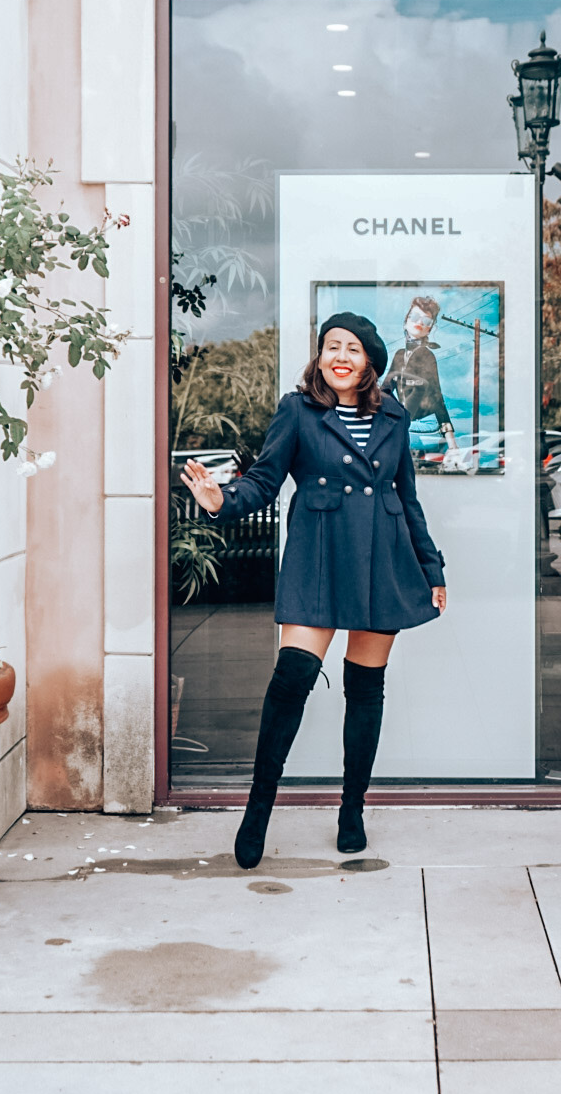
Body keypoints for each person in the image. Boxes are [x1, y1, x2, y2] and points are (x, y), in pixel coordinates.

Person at [181, 312, 447, 869]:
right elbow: (265, 479)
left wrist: (432, 569)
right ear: (321, 356)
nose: (341, 356)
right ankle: (258, 810)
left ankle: (352, 810)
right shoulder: (297, 410)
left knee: (365, 688)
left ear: (369, 360)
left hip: (383, 560)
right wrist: (220, 500)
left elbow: (409, 500)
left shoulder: (394, 417)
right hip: (319, 556)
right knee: (292, 678)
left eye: (352, 348)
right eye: (332, 346)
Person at [382, 295, 459, 463]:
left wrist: (452, 441)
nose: (420, 322)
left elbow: (436, 396)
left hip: (425, 426)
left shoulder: (426, 355)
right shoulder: (399, 355)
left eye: (427, 321)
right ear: (405, 322)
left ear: (430, 329)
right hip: (406, 424)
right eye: (415, 317)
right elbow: (385, 390)